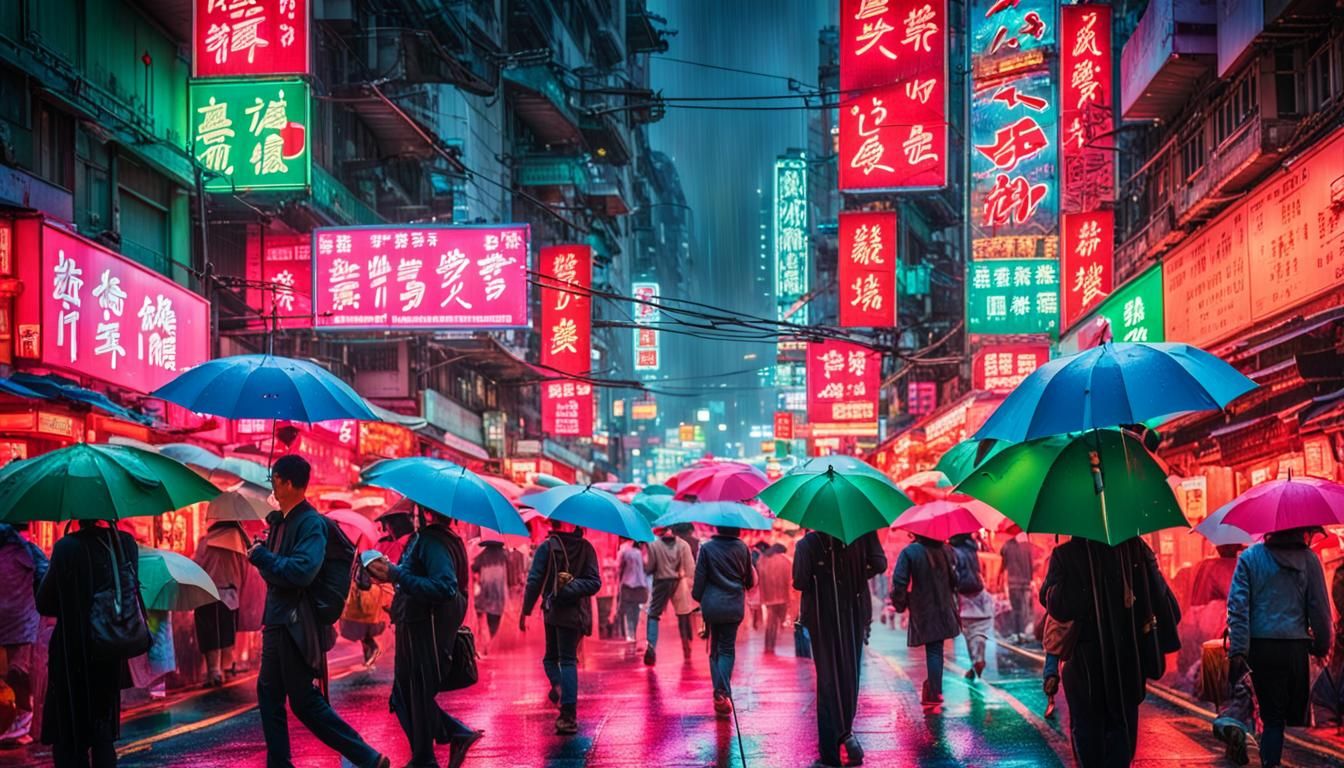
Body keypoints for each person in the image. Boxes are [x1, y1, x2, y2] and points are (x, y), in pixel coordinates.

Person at [246, 455, 390, 768]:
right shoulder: (282, 522)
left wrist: (263, 559)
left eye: (274, 478)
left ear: (285, 482)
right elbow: (278, 574)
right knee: (269, 694)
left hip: (293, 623)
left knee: (304, 701)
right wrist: (264, 554)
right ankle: (280, 763)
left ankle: (367, 757)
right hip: (278, 621)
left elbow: (302, 571)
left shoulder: (308, 522)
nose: (272, 484)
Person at [1043, 536, 1180, 768]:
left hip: (1084, 665)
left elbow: (1057, 607)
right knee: (1122, 732)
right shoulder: (1136, 549)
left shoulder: (1065, 555)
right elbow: (1165, 603)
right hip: (1128, 661)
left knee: (1088, 734)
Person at [367, 509, 482, 768]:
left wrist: (395, 574)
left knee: (411, 692)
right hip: (417, 623)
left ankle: (444, 742)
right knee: (410, 693)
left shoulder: (432, 540)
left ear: (426, 510)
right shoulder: (442, 538)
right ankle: (427, 754)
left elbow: (444, 586)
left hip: (425, 625)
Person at [1227, 527, 1331, 768]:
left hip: (1261, 648)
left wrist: (1239, 650)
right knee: (1279, 717)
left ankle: (1267, 758)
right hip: (1295, 649)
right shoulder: (1310, 560)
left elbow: (1238, 608)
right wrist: (1322, 645)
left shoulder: (1250, 558)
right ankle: (1267, 757)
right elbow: (1320, 610)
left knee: (1269, 715)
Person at [37, 519, 138, 768]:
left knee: (70, 736)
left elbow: (46, 603)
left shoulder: (66, 547)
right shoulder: (124, 544)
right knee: (102, 733)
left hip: (72, 651)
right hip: (110, 646)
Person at [795, 530, 887, 768]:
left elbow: (800, 581)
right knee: (849, 671)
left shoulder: (808, 544)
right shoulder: (863, 534)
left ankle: (830, 753)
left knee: (827, 677)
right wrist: (856, 576)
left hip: (821, 616)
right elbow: (879, 563)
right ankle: (847, 733)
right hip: (854, 610)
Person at [521, 520, 601, 735]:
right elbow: (594, 582)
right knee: (565, 659)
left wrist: (526, 610)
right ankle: (567, 712)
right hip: (575, 615)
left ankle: (564, 702)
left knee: (558, 659)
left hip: (557, 613)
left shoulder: (547, 547)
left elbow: (534, 581)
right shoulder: (586, 548)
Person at [691, 526, 756, 718]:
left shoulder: (707, 548)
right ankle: (721, 692)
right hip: (733, 605)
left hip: (711, 605)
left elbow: (699, 579)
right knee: (727, 649)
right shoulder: (743, 548)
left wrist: (697, 596)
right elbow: (750, 580)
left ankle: (720, 691)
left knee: (714, 650)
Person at [891, 533, 960, 705]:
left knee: (933, 649)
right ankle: (935, 689)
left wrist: (900, 603)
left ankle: (935, 691)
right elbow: (955, 581)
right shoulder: (947, 550)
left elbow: (899, 581)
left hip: (923, 607)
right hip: (944, 606)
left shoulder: (910, 552)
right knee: (936, 649)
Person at [0, 522, 47, 745]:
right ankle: (21, 719)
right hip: (21, 621)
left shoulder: (24, 551)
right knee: (17, 672)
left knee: (16, 672)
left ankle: (22, 720)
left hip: (16, 622)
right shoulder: (28, 551)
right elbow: (44, 576)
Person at [193, 520, 249, 687]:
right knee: (226, 634)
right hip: (230, 596)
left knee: (209, 635)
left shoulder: (206, 541)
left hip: (205, 595)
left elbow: (196, 566)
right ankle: (225, 670)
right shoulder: (238, 545)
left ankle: (213, 672)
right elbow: (245, 571)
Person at [643, 527, 696, 665]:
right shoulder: (683, 545)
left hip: (661, 582)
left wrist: (646, 565)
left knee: (653, 614)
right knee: (683, 614)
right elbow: (690, 569)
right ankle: (686, 645)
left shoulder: (653, 546)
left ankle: (651, 646)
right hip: (679, 582)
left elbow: (650, 568)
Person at [949, 533, 993, 680]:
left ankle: (975, 662)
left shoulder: (953, 552)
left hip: (963, 596)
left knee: (968, 634)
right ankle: (978, 660)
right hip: (979, 592)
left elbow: (953, 575)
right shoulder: (973, 549)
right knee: (979, 632)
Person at [471, 541, 510, 656]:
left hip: (486, 594)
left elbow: (473, 567)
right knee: (495, 620)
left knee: (486, 619)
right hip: (499, 596)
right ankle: (491, 642)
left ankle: (486, 645)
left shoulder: (483, 555)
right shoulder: (504, 555)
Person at [998, 532, 1039, 642]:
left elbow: (1003, 566)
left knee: (1016, 610)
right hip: (1026, 584)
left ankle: (1016, 633)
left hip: (1013, 584)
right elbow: (1032, 566)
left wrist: (1000, 582)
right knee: (1025, 610)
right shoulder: (1028, 546)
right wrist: (1032, 581)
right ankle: (1023, 633)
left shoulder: (1006, 546)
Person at [758, 543, 792, 654]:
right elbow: (790, 580)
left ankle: (768, 646)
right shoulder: (785, 561)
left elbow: (759, 578)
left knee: (770, 623)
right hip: (783, 597)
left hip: (769, 597)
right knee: (781, 623)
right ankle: (774, 644)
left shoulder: (762, 560)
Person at [1189, 544, 1243, 608]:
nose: (1226, 547)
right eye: (1223, 544)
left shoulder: (1208, 566)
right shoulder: (1209, 566)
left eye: (1230, 544)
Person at [616, 539, 648, 644]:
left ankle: (630, 634)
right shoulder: (639, 552)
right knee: (636, 610)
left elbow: (619, 568)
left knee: (629, 610)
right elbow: (645, 566)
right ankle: (633, 631)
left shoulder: (623, 550)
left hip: (628, 583)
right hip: (639, 584)